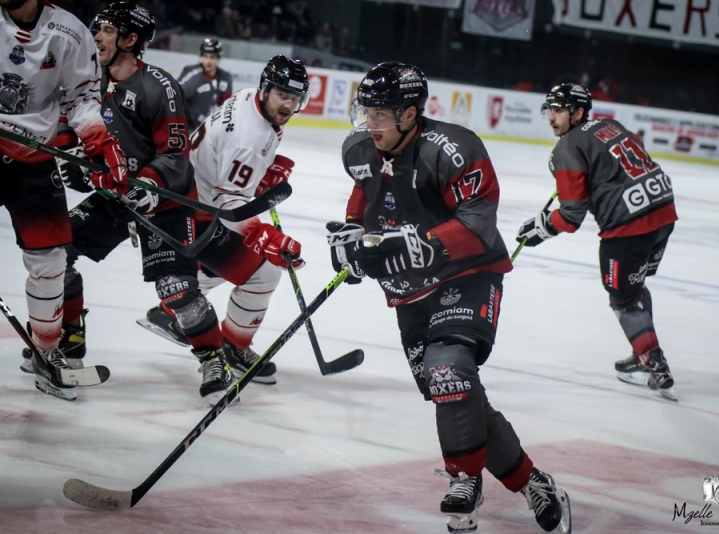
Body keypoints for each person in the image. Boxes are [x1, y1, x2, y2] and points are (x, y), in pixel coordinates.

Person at [327, 62, 572, 534]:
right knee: (455, 392)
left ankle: (465, 480)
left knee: (449, 368)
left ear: (411, 113)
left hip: (467, 274)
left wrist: (426, 243)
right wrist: (354, 241)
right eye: (366, 112)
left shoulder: (455, 149)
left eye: (381, 115)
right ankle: (532, 481)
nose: (370, 124)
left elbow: (478, 221)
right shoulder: (358, 148)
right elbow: (365, 198)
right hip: (409, 292)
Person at [40, 1, 237, 406]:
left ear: (130, 40)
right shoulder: (89, 81)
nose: (95, 37)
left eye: (107, 30)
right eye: (96, 29)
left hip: (164, 203)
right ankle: (71, 340)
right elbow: (71, 133)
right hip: (115, 198)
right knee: (55, 253)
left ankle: (214, 359)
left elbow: (175, 155)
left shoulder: (158, 86)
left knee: (177, 288)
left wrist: (147, 184)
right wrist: (72, 164)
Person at [138, 55, 309, 387]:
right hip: (197, 213)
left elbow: (226, 170)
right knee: (264, 274)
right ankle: (232, 345)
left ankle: (172, 309)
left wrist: (261, 179)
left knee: (224, 264)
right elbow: (228, 203)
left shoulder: (249, 98)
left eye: (295, 98)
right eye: (283, 95)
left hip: (186, 198)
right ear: (266, 89)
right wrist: (264, 236)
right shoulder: (249, 137)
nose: (288, 104)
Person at [516, 83, 678, 401]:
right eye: (549, 110)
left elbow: (571, 216)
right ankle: (641, 349)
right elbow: (635, 153)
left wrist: (541, 229)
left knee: (623, 301)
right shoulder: (610, 124)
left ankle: (654, 363)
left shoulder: (565, 150)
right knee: (635, 284)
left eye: (559, 110)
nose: (551, 117)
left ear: (577, 113)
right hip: (663, 211)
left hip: (629, 227)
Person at [1, 0, 124, 400]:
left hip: (33, 159)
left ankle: (46, 351)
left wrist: (93, 136)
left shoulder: (69, 32)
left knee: (51, 260)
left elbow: (82, 97)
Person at [177, 38, 233, 134]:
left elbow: (227, 107)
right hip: (188, 128)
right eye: (205, 56)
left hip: (210, 130)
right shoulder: (193, 75)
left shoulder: (225, 78)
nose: (208, 61)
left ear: (218, 58)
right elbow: (175, 97)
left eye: (212, 57)